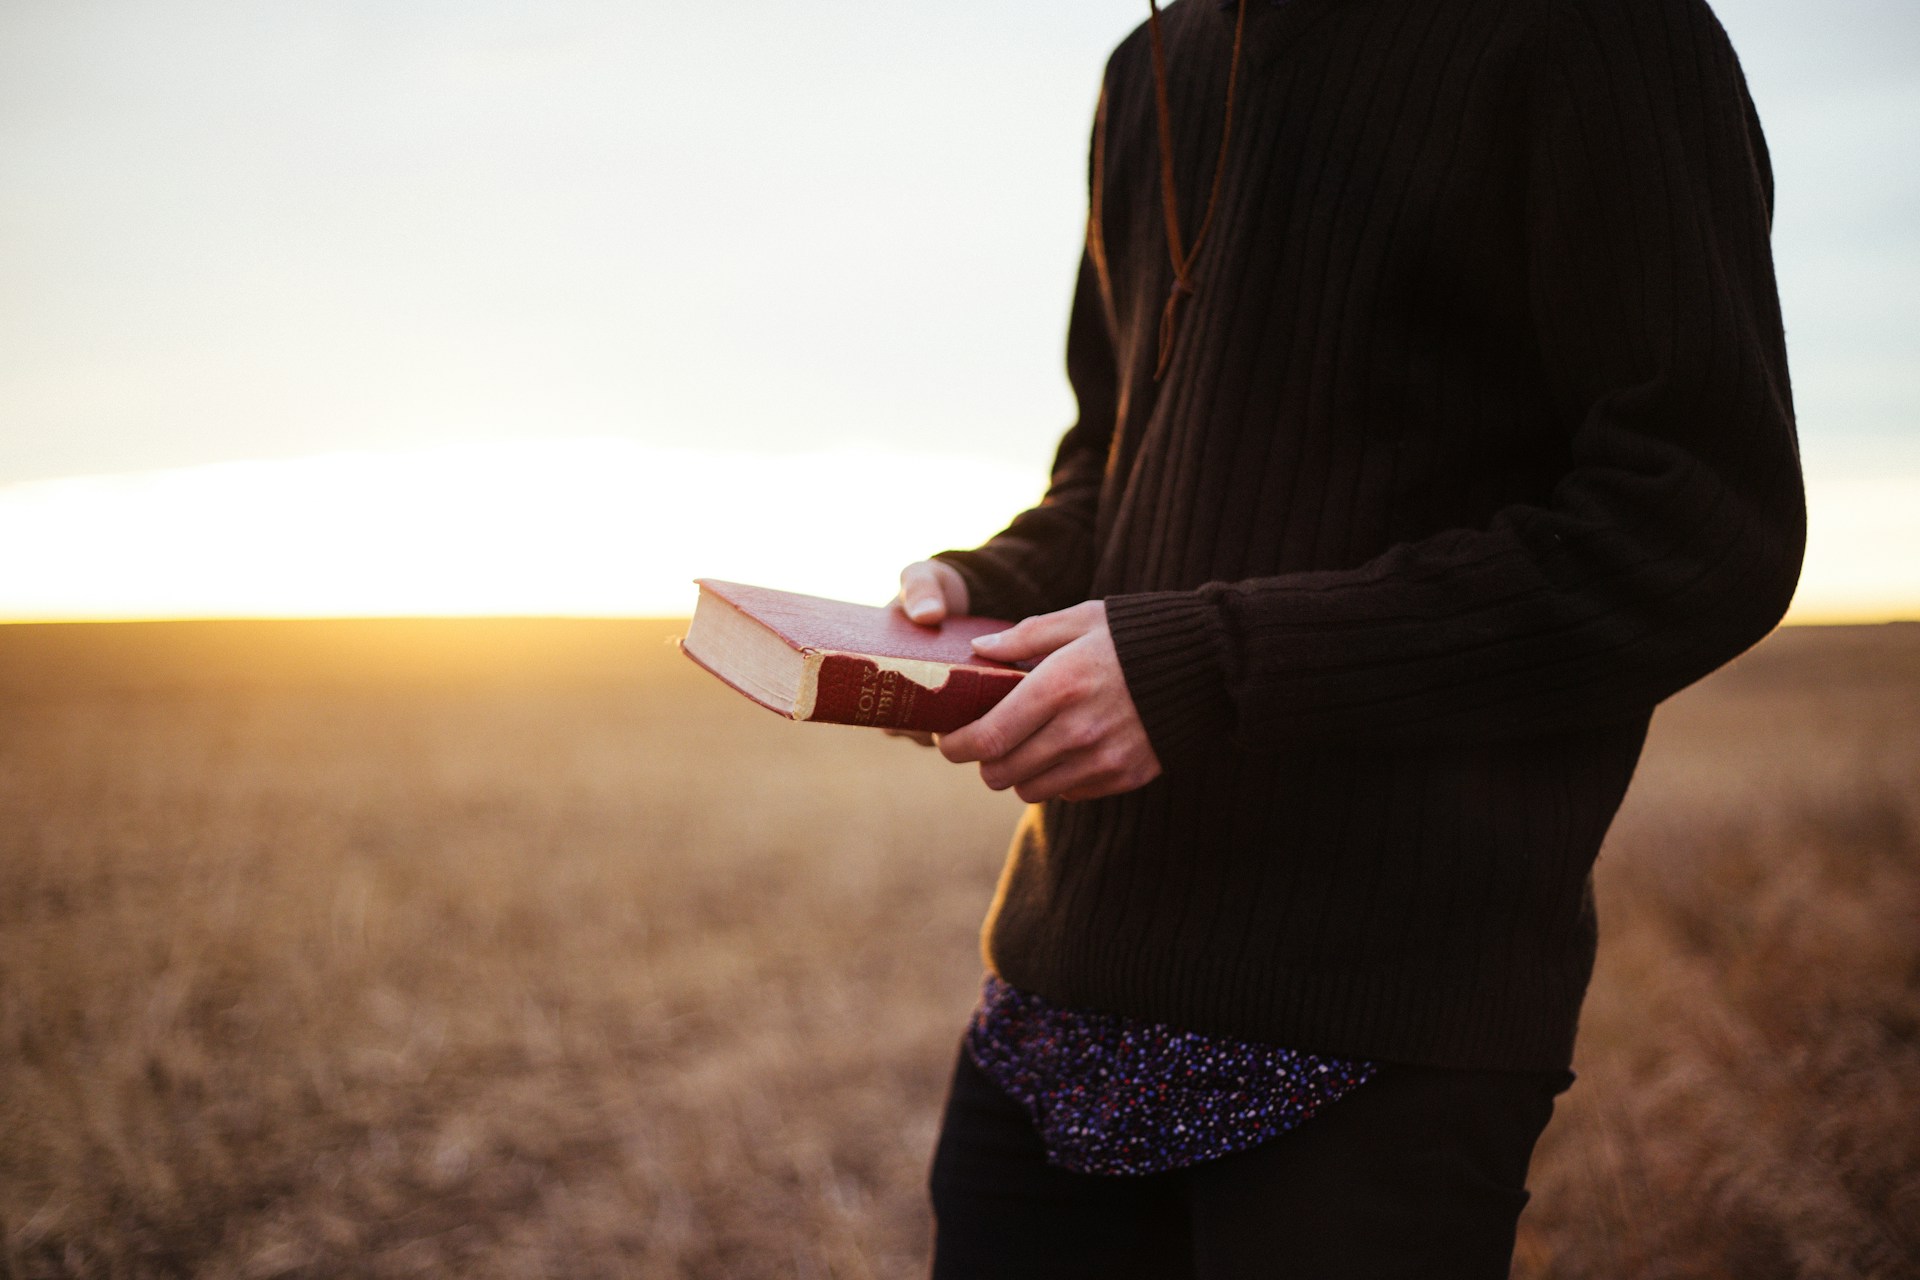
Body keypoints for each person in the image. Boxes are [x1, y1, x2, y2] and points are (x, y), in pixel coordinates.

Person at [892, 0, 1805, 1274]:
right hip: (1060, 1003)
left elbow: (1698, 529)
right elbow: (1115, 462)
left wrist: (1209, 665)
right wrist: (986, 581)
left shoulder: (1602, 31)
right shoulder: (1153, 65)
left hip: (1375, 1040)